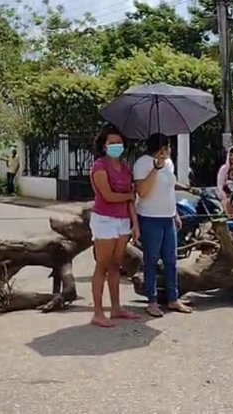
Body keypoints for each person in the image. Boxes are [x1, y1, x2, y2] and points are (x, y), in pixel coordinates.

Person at [133, 133, 194, 317]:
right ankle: (151, 301)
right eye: (166, 147)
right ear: (158, 148)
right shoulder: (142, 163)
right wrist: (156, 168)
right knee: (151, 261)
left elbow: (168, 189)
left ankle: (173, 299)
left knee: (171, 260)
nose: (169, 150)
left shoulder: (169, 163)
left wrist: (174, 213)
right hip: (150, 217)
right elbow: (142, 191)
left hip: (167, 217)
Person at [88, 126, 140, 328]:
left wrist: (135, 223)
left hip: (122, 220)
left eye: (119, 142)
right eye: (112, 143)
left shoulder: (125, 168)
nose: (116, 146)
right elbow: (107, 195)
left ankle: (116, 307)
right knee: (102, 265)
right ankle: (98, 312)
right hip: (104, 219)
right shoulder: (99, 166)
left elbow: (130, 201)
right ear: (104, 145)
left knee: (116, 265)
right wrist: (129, 195)